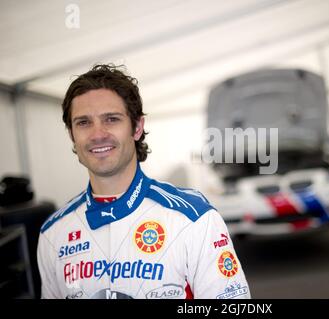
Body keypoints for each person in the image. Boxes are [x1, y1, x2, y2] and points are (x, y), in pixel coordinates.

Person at [37, 64, 251, 299]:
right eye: (84, 122)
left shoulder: (193, 217)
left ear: (137, 127)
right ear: (71, 135)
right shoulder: (53, 233)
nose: (98, 134)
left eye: (111, 119)